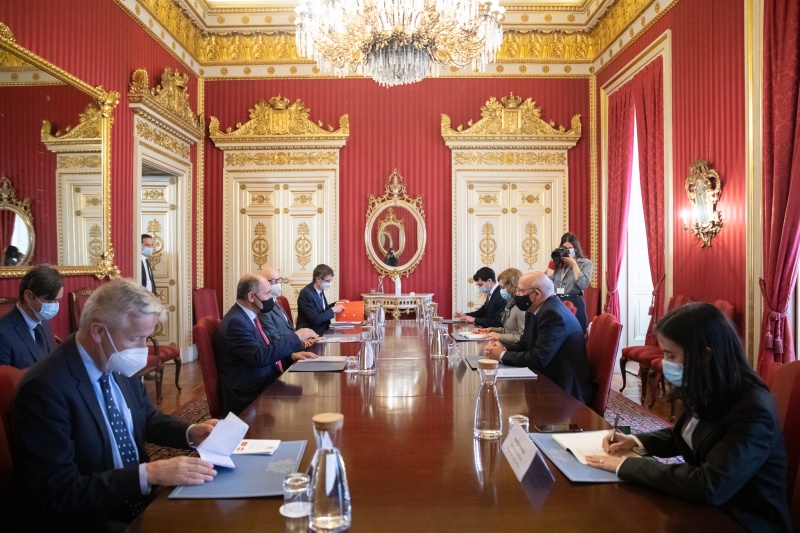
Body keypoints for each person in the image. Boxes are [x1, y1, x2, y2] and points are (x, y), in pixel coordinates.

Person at [9, 279, 219, 531]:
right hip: (93, 518)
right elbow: (59, 494)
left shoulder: (114, 360)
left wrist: (190, 432)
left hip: (138, 500)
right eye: (135, 338)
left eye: (146, 338)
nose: (142, 350)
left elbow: (146, 418)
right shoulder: (45, 389)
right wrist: (148, 474)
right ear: (98, 331)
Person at [586, 303, 792, 532]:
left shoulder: (754, 410)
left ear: (704, 355)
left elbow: (710, 484)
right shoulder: (709, 384)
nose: (664, 363)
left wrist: (628, 465)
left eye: (671, 355)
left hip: (741, 521)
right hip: (706, 510)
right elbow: (689, 435)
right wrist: (636, 441)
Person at [483, 271, 592, 404]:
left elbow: (538, 359)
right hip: (547, 376)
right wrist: (502, 348)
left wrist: (501, 355)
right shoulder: (535, 309)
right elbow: (525, 343)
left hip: (564, 390)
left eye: (521, 291)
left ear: (536, 294)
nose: (517, 294)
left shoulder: (552, 313)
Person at [217, 273, 318, 414]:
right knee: (308, 404)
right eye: (267, 293)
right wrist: (296, 336)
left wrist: (291, 356)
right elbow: (260, 356)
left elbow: (263, 349)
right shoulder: (236, 322)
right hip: (250, 393)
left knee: (310, 394)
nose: (271, 298)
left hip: (264, 379)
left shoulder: (248, 315)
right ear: (251, 296)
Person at [0, 264, 63, 368]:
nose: (55, 305)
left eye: (57, 300)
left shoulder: (42, 320)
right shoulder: (3, 334)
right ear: (28, 296)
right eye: (50, 300)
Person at [545, 232, 593, 332]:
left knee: (577, 333)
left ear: (575, 249)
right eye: (564, 247)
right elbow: (546, 284)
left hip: (575, 301)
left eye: (570, 247)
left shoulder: (585, 263)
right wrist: (552, 262)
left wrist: (574, 264)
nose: (566, 250)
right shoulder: (557, 264)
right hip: (556, 301)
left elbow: (583, 284)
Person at [259, 266, 315, 348]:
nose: (278, 284)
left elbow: (289, 331)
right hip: (285, 353)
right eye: (274, 281)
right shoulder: (263, 308)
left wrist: (305, 339)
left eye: (279, 280)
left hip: (294, 346)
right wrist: (303, 344)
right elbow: (274, 339)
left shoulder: (277, 301)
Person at [473, 267, 525, 346]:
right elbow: (507, 330)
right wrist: (490, 330)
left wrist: (499, 336)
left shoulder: (521, 308)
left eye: (503, 287)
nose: (501, 290)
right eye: (500, 287)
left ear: (513, 286)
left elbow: (522, 337)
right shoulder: (510, 304)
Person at [296, 264, 348, 335]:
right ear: (318, 279)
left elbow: (322, 310)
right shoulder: (306, 293)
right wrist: (333, 310)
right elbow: (315, 319)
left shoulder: (320, 289)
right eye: (327, 281)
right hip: (311, 333)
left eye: (330, 280)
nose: (329, 283)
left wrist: (337, 304)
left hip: (322, 329)